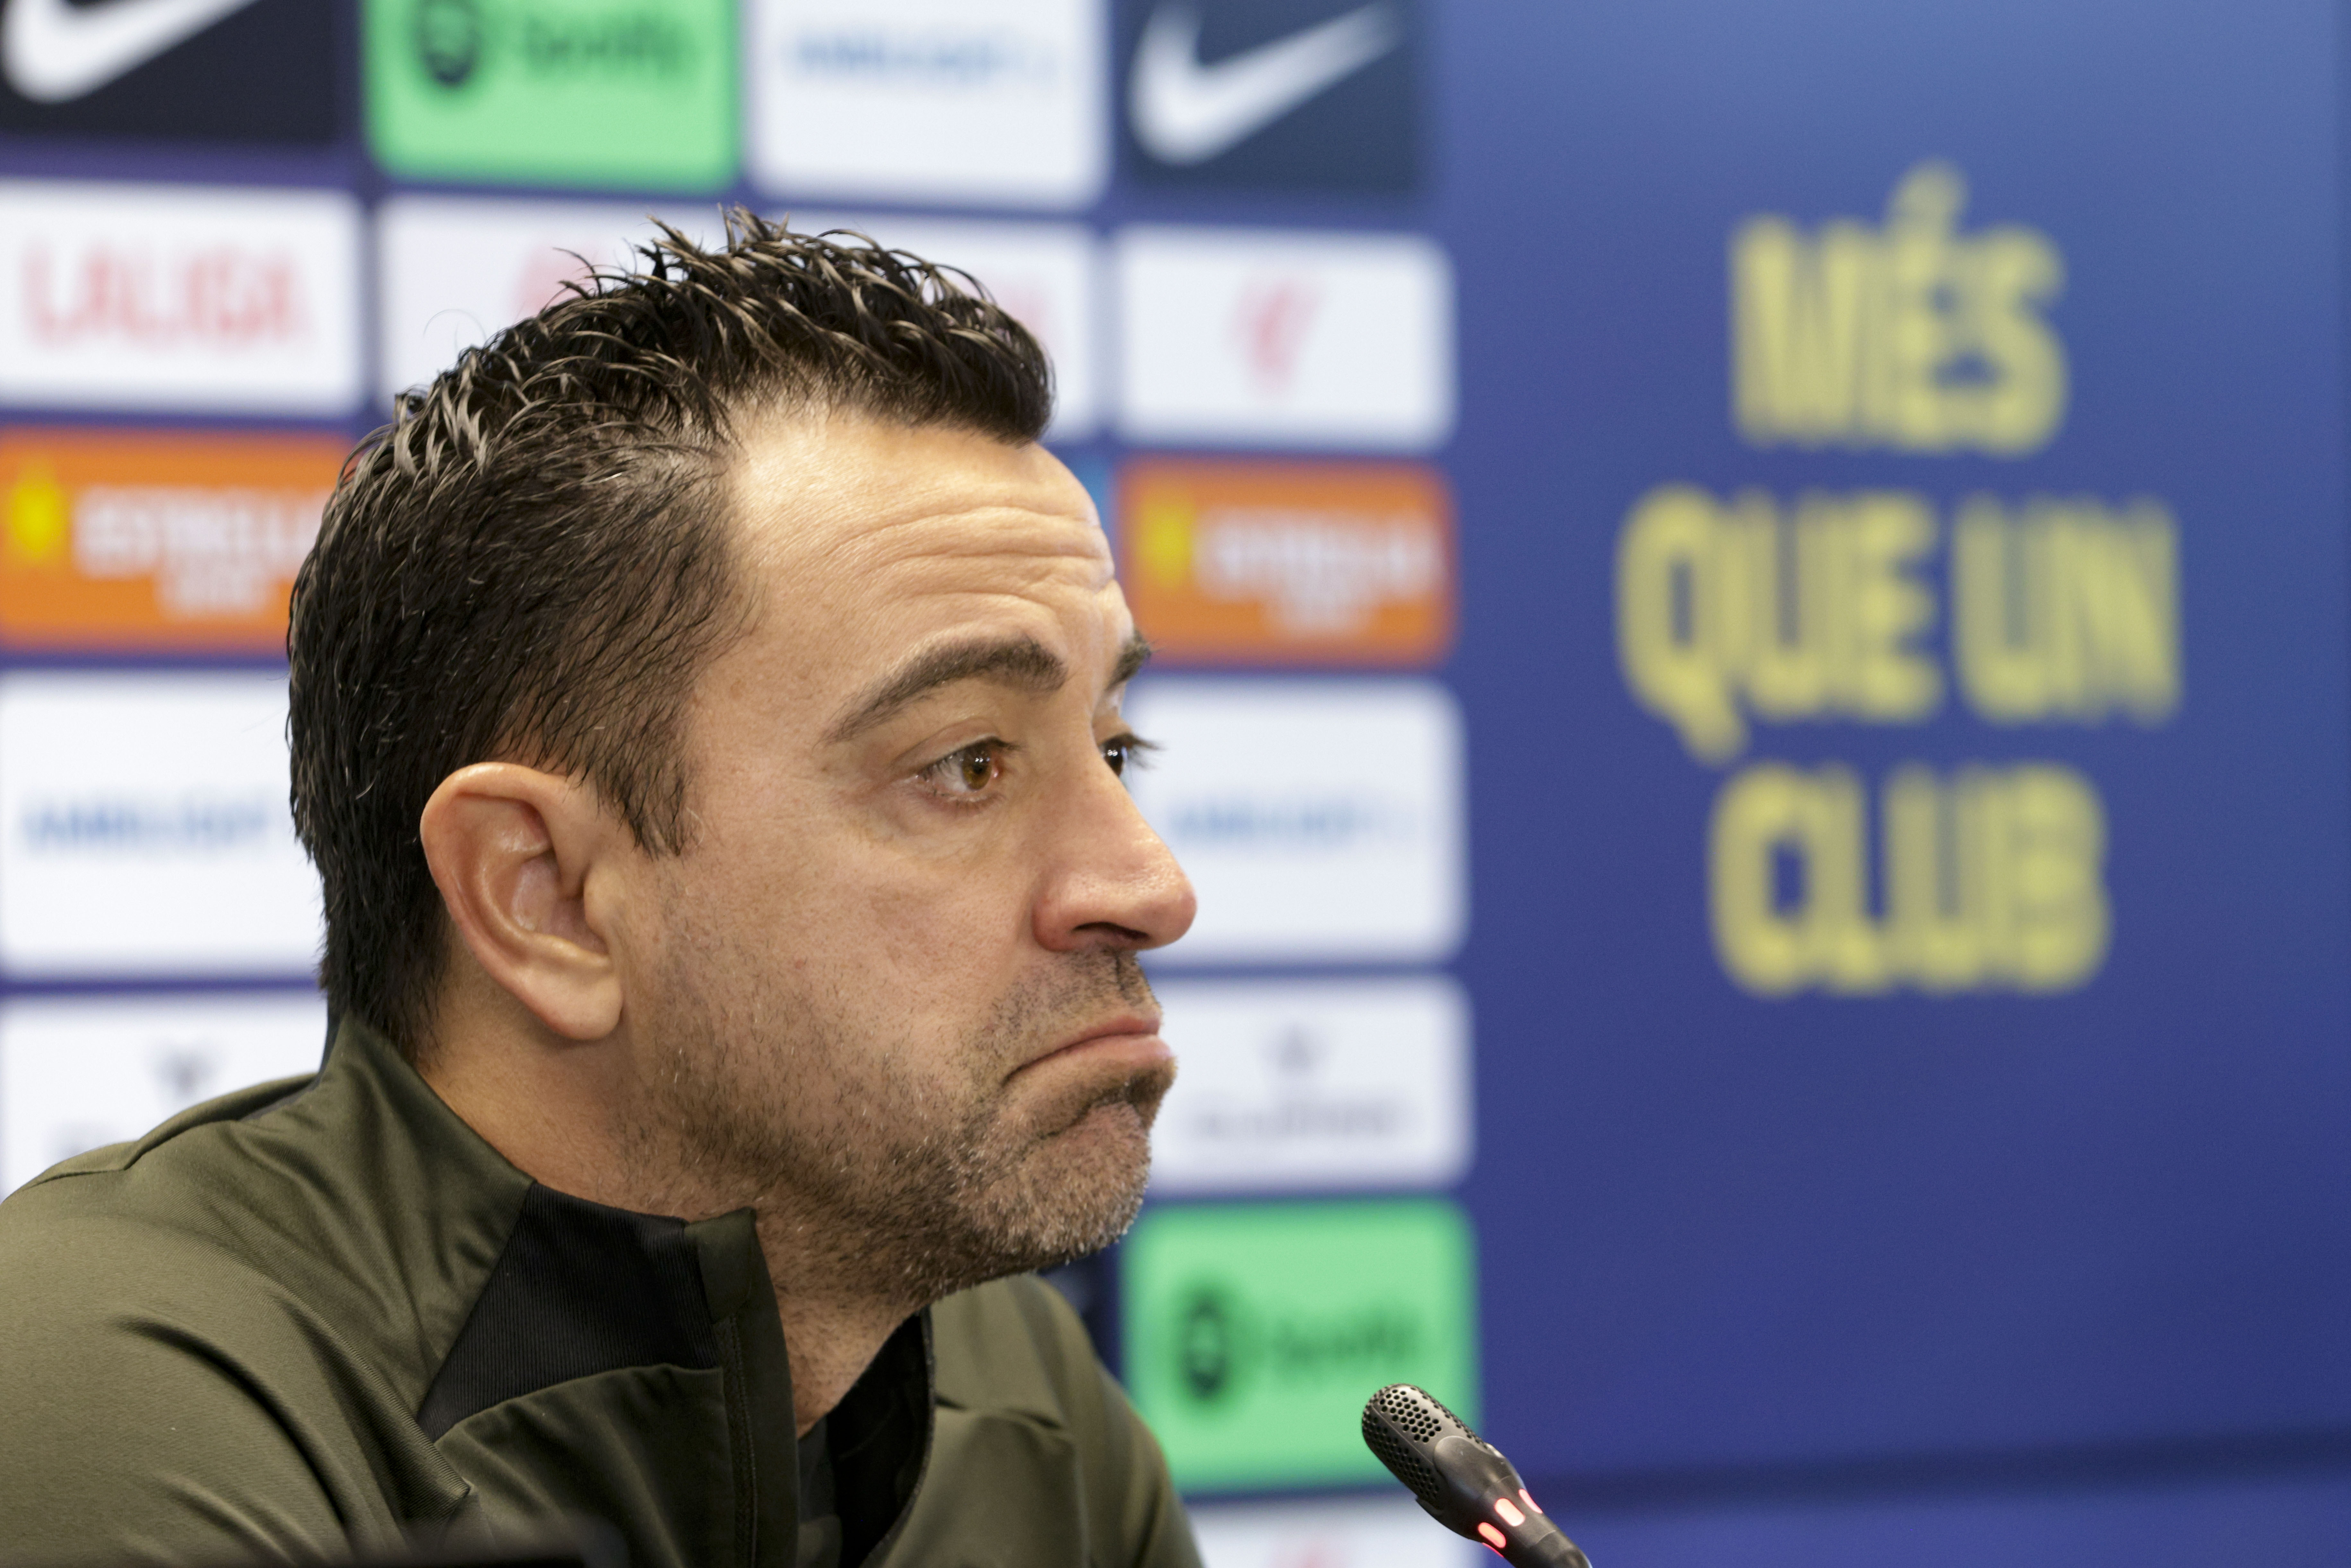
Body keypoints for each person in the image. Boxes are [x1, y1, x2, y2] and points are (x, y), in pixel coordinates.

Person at [0, 213, 1203, 1568]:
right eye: (965, 764)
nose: (1150, 885)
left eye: (1113, 748)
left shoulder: (1012, 1394)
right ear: (547, 897)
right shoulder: (103, 1393)